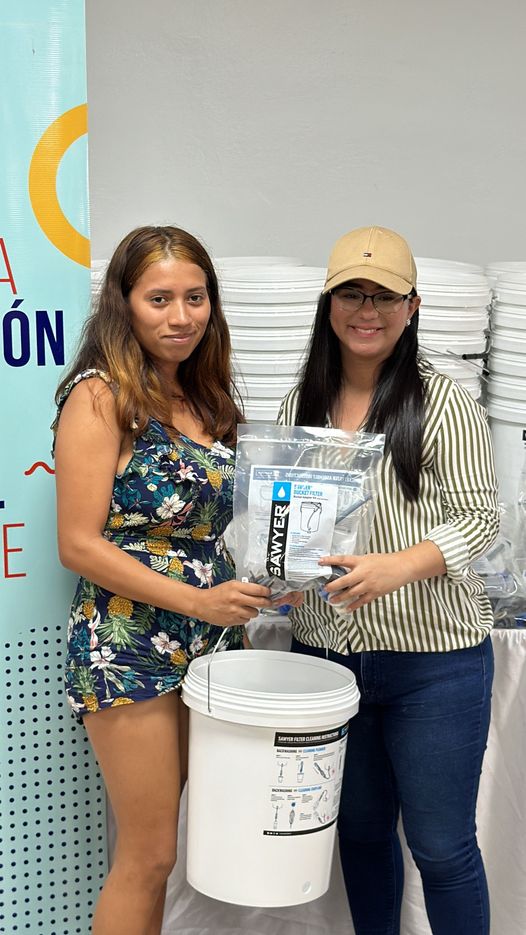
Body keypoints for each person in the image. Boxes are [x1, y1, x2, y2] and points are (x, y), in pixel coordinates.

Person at [277, 226, 499, 935]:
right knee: (361, 835)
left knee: (442, 847)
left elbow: (481, 518)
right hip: (327, 661)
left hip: (433, 663)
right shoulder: (301, 402)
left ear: (413, 307)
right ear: (328, 303)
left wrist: (398, 566)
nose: (366, 310)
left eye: (385, 296)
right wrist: (278, 571)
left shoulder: (442, 402)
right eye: (351, 293)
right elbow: (283, 516)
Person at [52, 225, 273, 935]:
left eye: (195, 297)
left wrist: (277, 573)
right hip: (128, 640)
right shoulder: (99, 397)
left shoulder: (206, 398)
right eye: (159, 299)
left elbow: (222, 526)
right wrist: (198, 601)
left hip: (209, 638)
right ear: (123, 303)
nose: (181, 316)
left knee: (171, 851)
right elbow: (77, 544)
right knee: (146, 855)